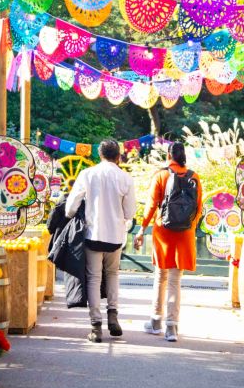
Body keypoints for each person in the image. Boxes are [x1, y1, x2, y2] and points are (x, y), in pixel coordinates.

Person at [66, 140, 136, 343]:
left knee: (94, 278)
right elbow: (130, 212)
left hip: (92, 235)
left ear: (100, 154)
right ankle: (113, 317)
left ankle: (96, 327)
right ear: (118, 155)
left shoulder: (88, 174)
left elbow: (70, 207)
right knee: (113, 274)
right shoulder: (125, 178)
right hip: (115, 237)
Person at [134, 142, 203, 342]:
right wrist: (189, 226)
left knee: (160, 276)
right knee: (175, 280)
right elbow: (198, 208)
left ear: (168, 155)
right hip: (184, 234)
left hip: (163, 232)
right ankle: (171, 327)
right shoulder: (194, 177)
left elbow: (150, 206)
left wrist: (141, 230)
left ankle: (155, 321)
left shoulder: (161, 175)